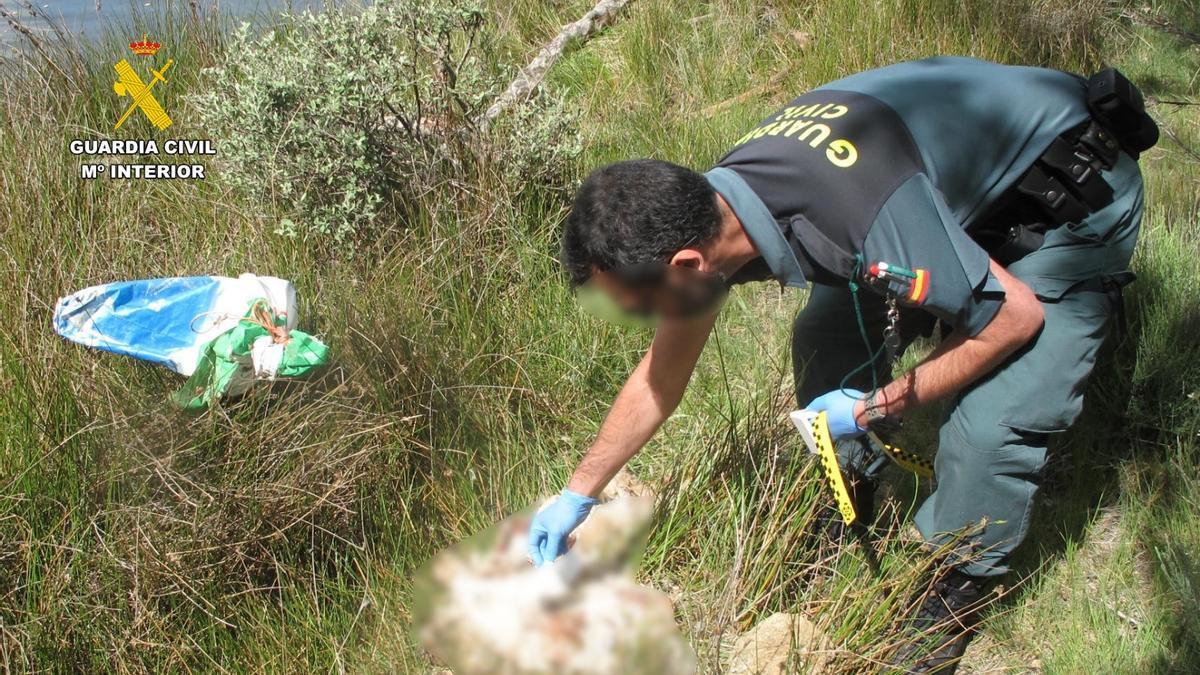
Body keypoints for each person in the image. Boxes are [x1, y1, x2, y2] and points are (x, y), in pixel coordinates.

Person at [526, 56, 1154, 671]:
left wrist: (874, 406)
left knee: (986, 430)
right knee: (827, 337)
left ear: (687, 266)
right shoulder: (710, 210)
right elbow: (661, 377)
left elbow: (1015, 318)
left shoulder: (851, 215)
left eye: (639, 306)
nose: (646, 322)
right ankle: (848, 492)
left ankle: (955, 590)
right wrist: (577, 493)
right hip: (937, 194)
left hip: (1066, 195)